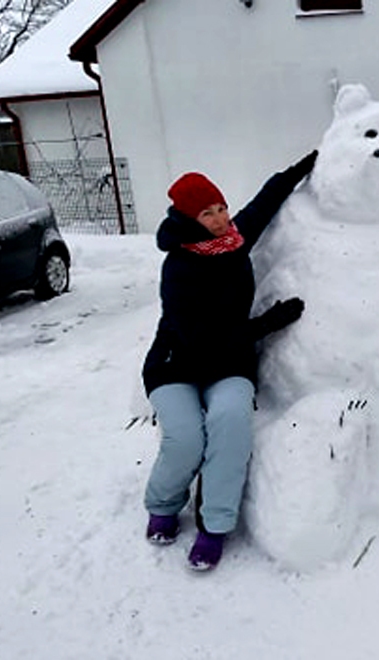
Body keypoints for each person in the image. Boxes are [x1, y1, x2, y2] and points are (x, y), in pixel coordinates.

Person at [142, 151, 316, 571]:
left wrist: (309, 164)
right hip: (177, 363)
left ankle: (214, 525)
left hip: (230, 365)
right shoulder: (178, 268)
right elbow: (200, 339)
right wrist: (266, 324)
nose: (221, 219)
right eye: (208, 213)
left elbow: (266, 199)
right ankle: (163, 502)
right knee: (186, 438)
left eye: (221, 208)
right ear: (188, 219)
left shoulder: (233, 242)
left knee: (231, 424)